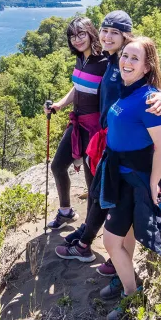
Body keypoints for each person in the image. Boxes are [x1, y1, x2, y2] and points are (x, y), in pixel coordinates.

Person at [55, 11, 161, 266]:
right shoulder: (112, 61)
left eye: (115, 33)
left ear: (125, 37)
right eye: (105, 31)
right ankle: (89, 235)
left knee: (107, 194)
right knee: (102, 192)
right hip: (106, 139)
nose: (108, 37)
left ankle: (92, 244)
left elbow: (145, 88)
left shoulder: (122, 64)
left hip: (118, 142)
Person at [98, 36, 161, 320]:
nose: (126, 62)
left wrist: (154, 183)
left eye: (134, 58)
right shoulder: (129, 90)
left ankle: (132, 293)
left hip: (134, 179)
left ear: (146, 66)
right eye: (124, 56)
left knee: (110, 241)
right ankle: (124, 278)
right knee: (125, 237)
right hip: (120, 174)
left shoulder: (149, 99)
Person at [44, 17, 106, 234]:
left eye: (81, 34)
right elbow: (77, 87)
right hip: (77, 124)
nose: (77, 39)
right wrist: (59, 105)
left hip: (95, 130)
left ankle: (88, 229)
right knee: (57, 166)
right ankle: (66, 211)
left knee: (92, 182)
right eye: (73, 36)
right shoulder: (82, 59)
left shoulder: (105, 63)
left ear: (91, 33)